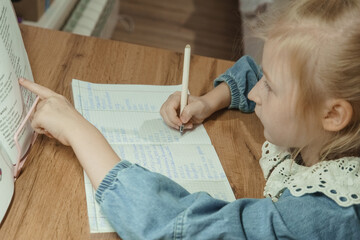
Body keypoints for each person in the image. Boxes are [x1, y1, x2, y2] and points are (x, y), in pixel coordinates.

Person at [20, 0, 360, 239]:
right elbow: (252, 73)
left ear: (332, 114)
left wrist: (79, 131)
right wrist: (209, 101)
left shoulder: (321, 216)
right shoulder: (327, 126)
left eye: (270, 87)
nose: (256, 92)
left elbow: (180, 227)